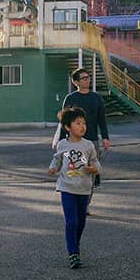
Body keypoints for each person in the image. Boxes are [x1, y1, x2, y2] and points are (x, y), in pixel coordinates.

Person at [46, 106, 101, 269]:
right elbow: (56, 160)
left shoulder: (89, 145)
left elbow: (96, 162)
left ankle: (73, 245)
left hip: (84, 189)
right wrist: (53, 168)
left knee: (81, 223)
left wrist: (95, 169)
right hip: (67, 188)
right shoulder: (62, 145)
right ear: (68, 127)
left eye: (84, 123)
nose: (82, 126)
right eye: (78, 123)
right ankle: (73, 253)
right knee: (71, 222)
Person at [62, 69, 109, 190]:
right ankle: (78, 201)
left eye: (88, 77)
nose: (87, 80)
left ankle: (86, 204)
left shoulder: (96, 97)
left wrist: (105, 137)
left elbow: (101, 120)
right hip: (74, 141)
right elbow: (64, 121)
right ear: (76, 82)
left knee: (92, 173)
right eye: (84, 78)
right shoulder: (70, 98)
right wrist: (61, 141)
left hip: (92, 140)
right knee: (76, 172)